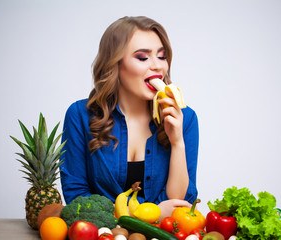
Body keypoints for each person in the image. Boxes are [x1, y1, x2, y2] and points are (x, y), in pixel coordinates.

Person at [60, 16, 199, 219]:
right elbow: (76, 196)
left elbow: (181, 203)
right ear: (114, 64)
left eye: (162, 56)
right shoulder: (80, 115)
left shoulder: (184, 118)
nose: (157, 66)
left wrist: (177, 142)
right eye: (143, 58)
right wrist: (153, 213)